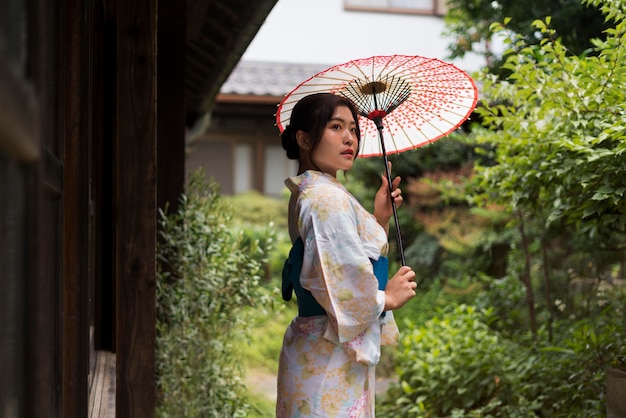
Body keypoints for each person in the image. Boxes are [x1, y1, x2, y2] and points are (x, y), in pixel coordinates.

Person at [276, 92, 417, 417]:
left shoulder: (311, 191)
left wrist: (379, 218)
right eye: (336, 127)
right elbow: (339, 277)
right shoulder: (327, 199)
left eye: (353, 129)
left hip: (316, 345)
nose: (349, 138)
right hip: (329, 348)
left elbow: (340, 259)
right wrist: (386, 298)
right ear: (304, 138)